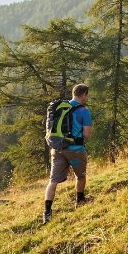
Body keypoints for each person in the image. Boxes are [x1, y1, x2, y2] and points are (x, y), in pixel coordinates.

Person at [43, 83, 92, 224]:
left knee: (53, 181)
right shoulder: (84, 111)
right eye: (86, 95)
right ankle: (80, 200)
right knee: (80, 176)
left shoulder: (61, 108)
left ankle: (47, 212)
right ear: (83, 95)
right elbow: (87, 135)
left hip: (57, 149)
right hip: (75, 150)